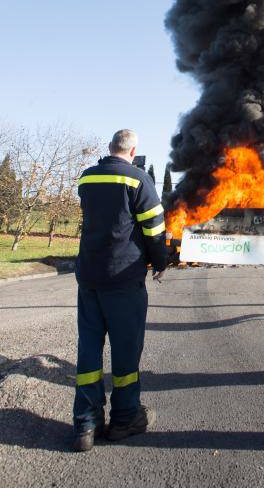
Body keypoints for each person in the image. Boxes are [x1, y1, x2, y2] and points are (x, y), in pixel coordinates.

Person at [72, 129, 168, 452]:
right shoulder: (139, 180)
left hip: (89, 280)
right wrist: (161, 263)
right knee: (126, 352)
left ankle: (86, 422)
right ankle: (125, 418)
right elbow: (155, 230)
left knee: (88, 349)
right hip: (123, 282)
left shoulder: (86, 179)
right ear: (134, 150)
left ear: (110, 148)